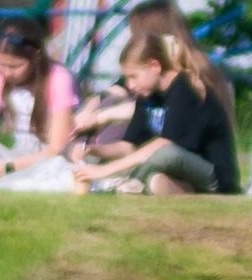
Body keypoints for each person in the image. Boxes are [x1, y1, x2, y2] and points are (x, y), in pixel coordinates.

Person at [72, 32, 240, 194]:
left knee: (165, 153)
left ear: (155, 66)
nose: (129, 85)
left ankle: (124, 181)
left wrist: (106, 169)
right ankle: (179, 190)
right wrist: (94, 150)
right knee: (155, 180)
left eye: (133, 76)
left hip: (214, 175)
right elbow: (128, 146)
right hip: (176, 169)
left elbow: (165, 145)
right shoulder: (147, 95)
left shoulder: (184, 88)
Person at [71, 0, 235, 145]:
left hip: (189, 152)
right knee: (111, 103)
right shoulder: (153, 68)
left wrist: (105, 115)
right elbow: (118, 89)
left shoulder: (192, 72)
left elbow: (165, 112)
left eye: (134, 34)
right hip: (167, 147)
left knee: (120, 113)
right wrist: (91, 108)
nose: (131, 41)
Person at [0, 17, 79, 188]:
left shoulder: (58, 78)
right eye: (1, 64)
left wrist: (5, 168)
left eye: (15, 66)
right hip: (13, 156)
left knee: (55, 175)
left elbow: (56, 148)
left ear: (36, 57)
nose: (7, 72)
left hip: (46, 160)